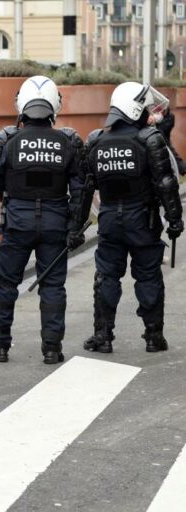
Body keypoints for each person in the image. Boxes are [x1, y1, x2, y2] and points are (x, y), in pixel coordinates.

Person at [0, 76, 87, 365]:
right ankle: (52, 349)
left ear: (23, 105)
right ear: (54, 105)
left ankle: (0, 347)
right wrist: (74, 228)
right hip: (55, 223)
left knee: (5, 285)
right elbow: (79, 191)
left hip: (17, 222)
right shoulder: (67, 141)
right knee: (53, 288)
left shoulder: (9, 141)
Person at [82, 82, 183, 354]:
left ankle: (103, 336)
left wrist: (76, 227)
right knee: (149, 277)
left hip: (109, 221)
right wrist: (175, 219)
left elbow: (85, 189)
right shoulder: (149, 139)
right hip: (142, 221)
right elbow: (166, 183)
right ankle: (153, 337)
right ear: (135, 108)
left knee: (106, 278)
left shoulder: (95, 141)